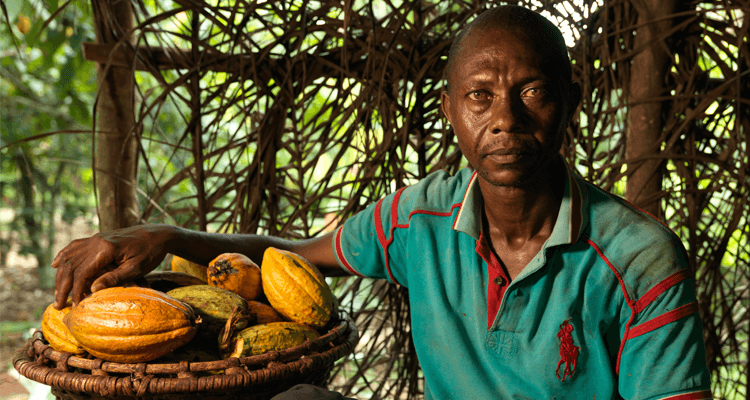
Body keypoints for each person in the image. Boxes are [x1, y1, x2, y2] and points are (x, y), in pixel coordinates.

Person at [52, 5, 712, 399]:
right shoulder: (416, 221)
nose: (505, 119)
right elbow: (286, 258)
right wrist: (162, 236)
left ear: (571, 103)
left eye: (533, 92)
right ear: (451, 111)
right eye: (480, 97)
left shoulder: (638, 261)